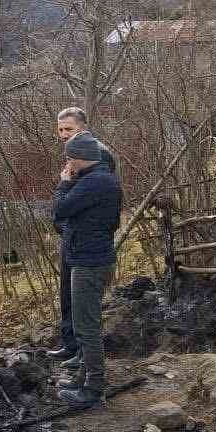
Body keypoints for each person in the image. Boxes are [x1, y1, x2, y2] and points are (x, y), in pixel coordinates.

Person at [51, 133, 122, 407]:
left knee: (86, 328)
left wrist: (64, 183)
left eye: (70, 158)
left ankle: (93, 389)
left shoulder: (93, 182)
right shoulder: (103, 179)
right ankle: (83, 376)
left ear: (80, 158)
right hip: (94, 257)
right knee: (86, 324)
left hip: (89, 263)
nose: (68, 163)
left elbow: (60, 209)